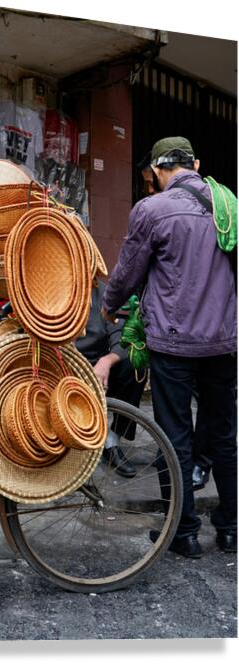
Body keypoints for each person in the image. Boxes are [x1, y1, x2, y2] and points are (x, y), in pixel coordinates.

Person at [103, 137, 237, 557]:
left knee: (173, 436)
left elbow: (128, 271)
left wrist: (110, 305)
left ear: (159, 171)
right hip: (223, 342)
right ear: (194, 164)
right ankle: (231, 529)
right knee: (225, 436)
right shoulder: (228, 204)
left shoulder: (153, 209)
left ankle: (183, 532)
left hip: (173, 344)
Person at [76, 282, 147, 478]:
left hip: (97, 367)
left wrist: (107, 361)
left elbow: (122, 336)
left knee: (135, 363)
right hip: (60, 364)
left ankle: (112, 440)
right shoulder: (48, 289)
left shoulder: (101, 291)